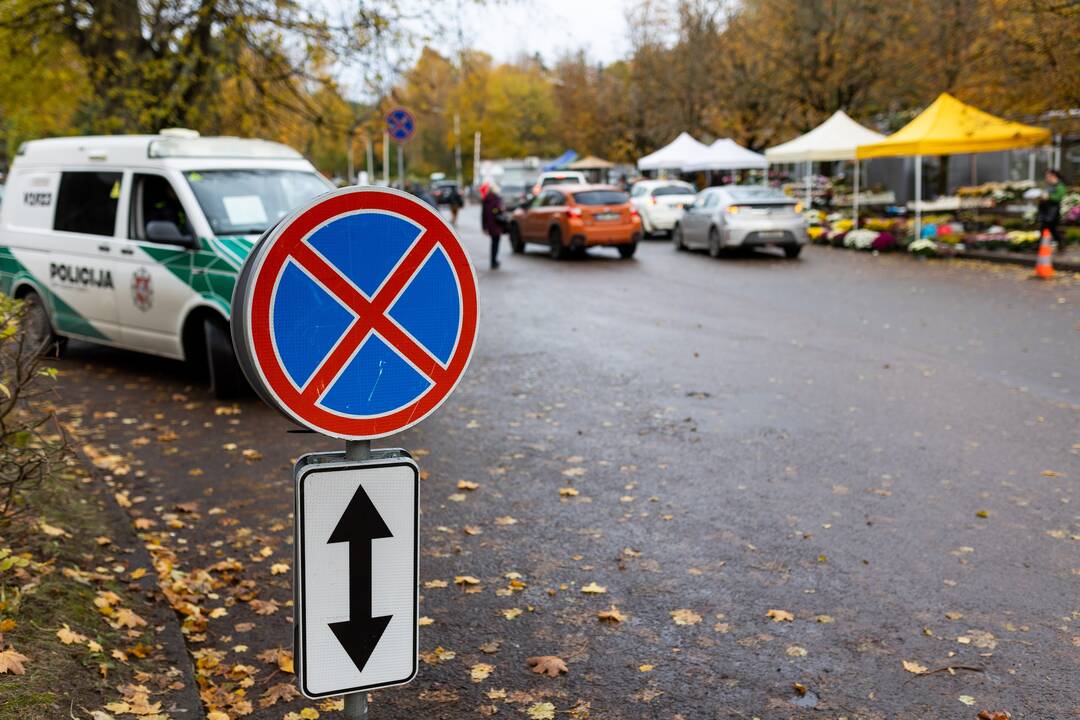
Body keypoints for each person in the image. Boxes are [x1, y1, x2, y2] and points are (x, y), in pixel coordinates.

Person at [1037, 169, 1067, 247]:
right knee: (1049, 229)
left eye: (1048, 176)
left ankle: (1040, 245)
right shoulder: (1049, 186)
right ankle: (1060, 244)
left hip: (1052, 213)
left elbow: (1058, 197)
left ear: (1053, 176)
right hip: (1045, 212)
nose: (1046, 178)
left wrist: (1048, 197)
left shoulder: (1060, 186)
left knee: (1048, 228)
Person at [480, 182, 505, 269]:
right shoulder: (497, 198)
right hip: (496, 224)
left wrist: (484, 227)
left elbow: (483, 214)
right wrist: (501, 210)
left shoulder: (485, 199)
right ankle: (494, 261)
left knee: (493, 243)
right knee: (496, 243)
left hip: (489, 224)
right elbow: (500, 210)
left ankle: (493, 261)